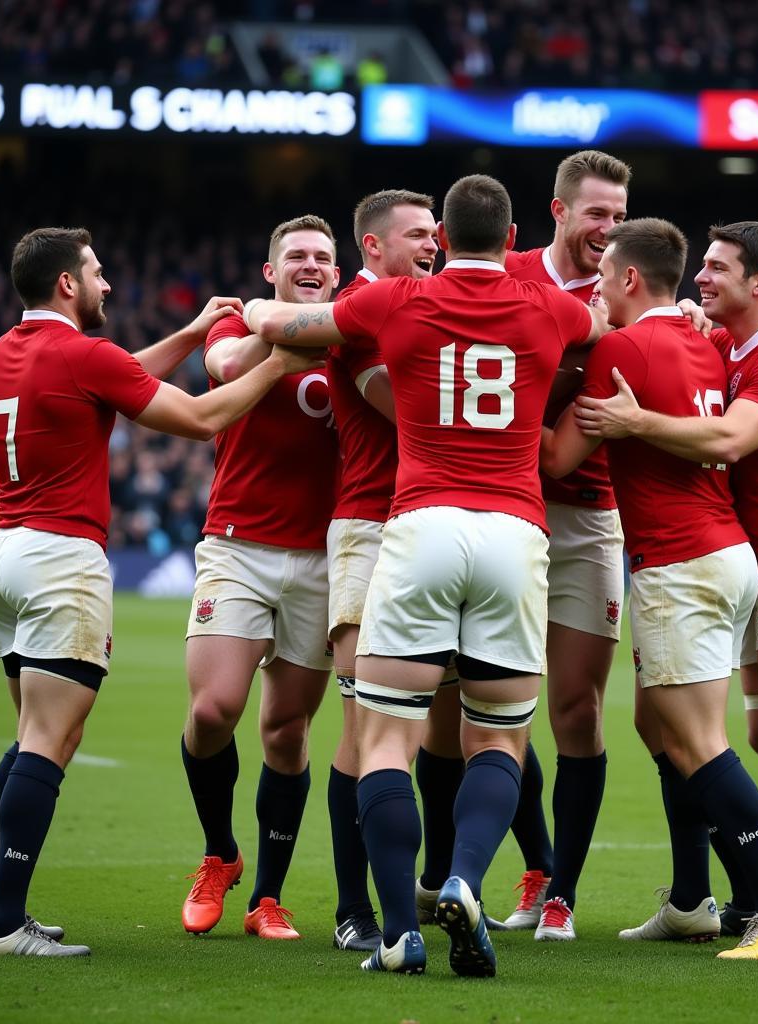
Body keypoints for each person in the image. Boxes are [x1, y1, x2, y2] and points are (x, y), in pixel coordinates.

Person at [244, 174, 607, 976]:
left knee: (381, 736)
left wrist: (257, 310)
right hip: (517, 531)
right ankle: (468, 880)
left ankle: (399, 932)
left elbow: (287, 320)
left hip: (420, 526)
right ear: (512, 238)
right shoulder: (547, 306)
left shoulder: (397, 302)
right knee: (501, 739)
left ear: (441, 236)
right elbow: (601, 320)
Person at [0, 226, 318, 957]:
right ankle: (4, 926)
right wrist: (278, 364)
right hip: (62, 557)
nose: (107, 286)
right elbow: (201, 417)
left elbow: (113, 381)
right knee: (51, 742)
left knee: (30, 733)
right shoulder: (85, 355)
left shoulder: (3, 352)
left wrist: (187, 335)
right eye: (95, 273)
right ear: (67, 285)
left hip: (3, 554)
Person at [576, 220, 758, 956]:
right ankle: (699, 898)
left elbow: (728, 441)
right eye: (699, 268)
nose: (700, 281)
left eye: (716, 270)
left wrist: (629, 420)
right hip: (744, 554)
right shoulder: (719, 347)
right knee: (710, 729)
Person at [178, 216, 340, 942]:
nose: (310, 265)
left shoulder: (356, 336)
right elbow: (227, 368)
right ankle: (220, 853)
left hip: (323, 557)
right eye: (297, 257)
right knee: (214, 712)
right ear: (270, 271)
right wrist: (280, 338)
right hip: (237, 544)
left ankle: (267, 899)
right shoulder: (242, 323)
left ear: (338, 274)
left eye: (322, 258)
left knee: (285, 730)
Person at [500, 149, 630, 941]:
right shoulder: (510, 274)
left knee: (576, 707)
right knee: (500, 709)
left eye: (619, 216)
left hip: (588, 517)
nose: (608, 230)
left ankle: (563, 895)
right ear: (558, 211)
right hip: (506, 512)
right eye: (596, 214)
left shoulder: (634, 292)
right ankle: (537, 862)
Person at [324, 189, 441, 952]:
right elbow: (411, 410)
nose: (432, 246)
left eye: (437, 235)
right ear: (373, 249)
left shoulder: (424, 306)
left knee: (436, 727)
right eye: (417, 237)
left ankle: (424, 894)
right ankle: (354, 908)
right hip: (372, 525)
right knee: (367, 726)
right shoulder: (361, 312)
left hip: (432, 527)